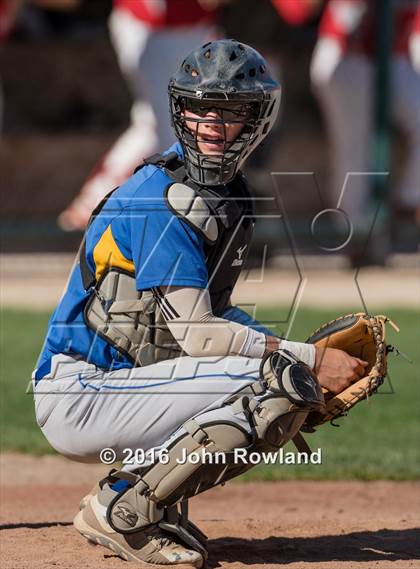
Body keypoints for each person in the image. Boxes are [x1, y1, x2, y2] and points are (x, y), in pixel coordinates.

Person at [33, 39, 368, 566]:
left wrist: (298, 350)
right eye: (199, 106)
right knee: (278, 382)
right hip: (83, 393)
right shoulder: (162, 201)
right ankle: (123, 509)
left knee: (278, 375)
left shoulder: (224, 196)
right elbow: (200, 336)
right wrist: (305, 359)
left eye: (232, 109)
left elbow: (213, 319)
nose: (212, 121)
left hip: (120, 387)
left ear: (256, 119)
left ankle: (149, 499)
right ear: (178, 109)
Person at [57, 0, 220, 231]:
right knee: (174, 131)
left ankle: (94, 205)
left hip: (191, 28)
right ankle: (175, 219)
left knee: (154, 124)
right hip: (151, 29)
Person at [310, 0, 420, 233]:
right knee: (354, 149)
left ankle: (409, 201)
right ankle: (353, 233)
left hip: (394, 57)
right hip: (347, 56)